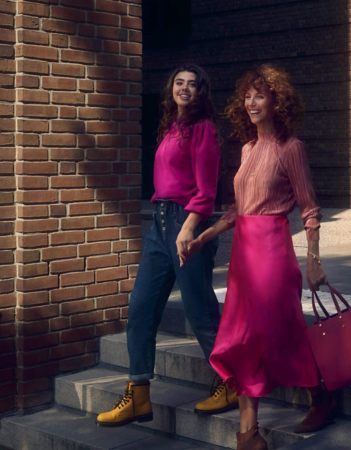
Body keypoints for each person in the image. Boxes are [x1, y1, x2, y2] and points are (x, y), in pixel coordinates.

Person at [184, 64, 333, 450]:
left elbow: (310, 210)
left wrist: (313, 260)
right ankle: (248, 434)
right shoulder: (248, 148)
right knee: (243, 337)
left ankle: (321, 395)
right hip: (243, 256)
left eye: (260, 95)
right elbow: (237, 210)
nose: (251, 102)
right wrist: (202, 238)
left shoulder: (291, 148)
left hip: (272, 251)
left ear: (276, 101)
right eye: (247, 96)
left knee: (278, 332)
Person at [96, 65, 238, 427]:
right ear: (171, 88)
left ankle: (230, 380)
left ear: (201, 91)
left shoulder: (203, 129)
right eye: (179, 82)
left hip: (185, 223)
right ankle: (138, 394)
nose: (185, 88)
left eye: (193, 84)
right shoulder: (171, 127)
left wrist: (188, 228)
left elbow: (206, 191)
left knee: (199, 310)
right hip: (159, 224)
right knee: (141, 307)